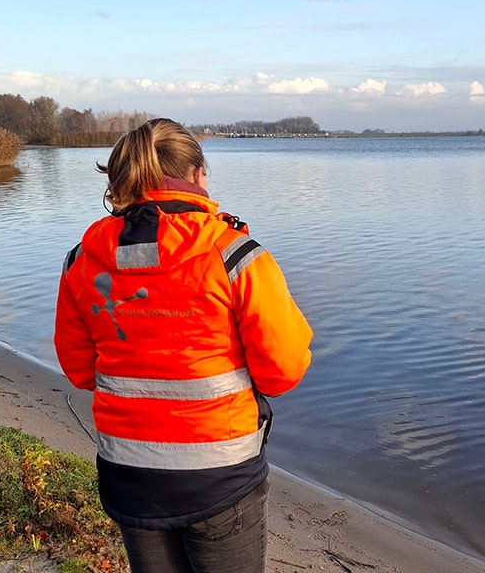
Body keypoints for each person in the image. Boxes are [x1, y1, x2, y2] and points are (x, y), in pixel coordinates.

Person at [53, 118, 312, 573]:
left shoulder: (81, 260)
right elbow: (283, 370)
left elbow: (78, 369)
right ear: (196, 177)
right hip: (221, 478)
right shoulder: (236, 257)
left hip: (129, 472)